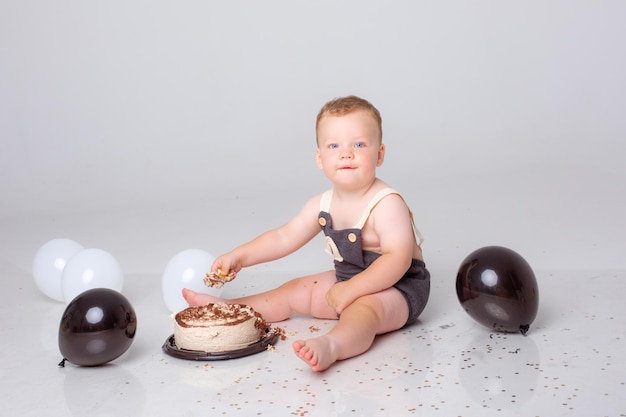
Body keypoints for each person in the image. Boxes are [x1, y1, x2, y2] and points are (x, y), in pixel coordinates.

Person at [183, 95, 430, 371]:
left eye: (359, 144)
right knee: (295, 290)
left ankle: (332, 345)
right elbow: (283, 237)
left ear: (379, 154)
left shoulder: (386, 203)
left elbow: (398, 259)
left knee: (363, 311)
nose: (346, 153)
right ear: (319, 158)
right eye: (334, 145)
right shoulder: (322, 204)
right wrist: (240, 256)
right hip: (348, 279)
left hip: (398, 288)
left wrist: (353, 290)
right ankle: (231, 309)